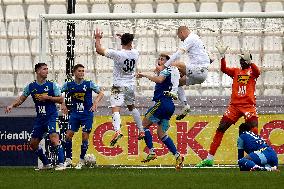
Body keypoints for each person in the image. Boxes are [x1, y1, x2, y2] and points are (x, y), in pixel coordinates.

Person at [196, 43, 260, 167]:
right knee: (221, 128)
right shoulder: (236, 71)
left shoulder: (252, 72)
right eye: (240, 59)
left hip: (248, 106)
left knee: (254, 128)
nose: (240, 61)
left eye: (243, 59)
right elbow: (224, 69)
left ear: (247, 61)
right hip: (234, 106)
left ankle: (256, 157)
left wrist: (251, 62)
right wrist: (222, 56)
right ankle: (209, 159)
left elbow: (258, 72)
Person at [5, 63, 65, 170]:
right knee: (33, 144)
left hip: (51, 116)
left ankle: (61, 164)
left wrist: (48, 97)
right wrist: (11, 105)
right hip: (40, 119)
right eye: (44, 69)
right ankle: (47, 164)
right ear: (37, 71)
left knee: (54, 138)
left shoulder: (52, 85)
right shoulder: (31, 86)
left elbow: (61, 99)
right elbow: (21, 99)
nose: (47, 71)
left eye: (47, 69)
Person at [94, 29, 144, 146]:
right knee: (132, 107)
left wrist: (97, 38)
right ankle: (141, 130)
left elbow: (99, 50)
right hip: (130, 85)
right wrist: (123, 38)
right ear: (131, 42)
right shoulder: (136, 53)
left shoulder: (118, 54)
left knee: (115, 108)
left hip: (118, 85)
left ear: (122, 42)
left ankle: (117, 131)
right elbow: (130, 46)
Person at [136, 53, 184, 170]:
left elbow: (159, 79)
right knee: (161, 134)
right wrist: (144, 73)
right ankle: (178, 155)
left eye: (162, 59)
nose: (159, 60)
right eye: (159, 59)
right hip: (170, 106)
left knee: (143, 126)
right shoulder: (170, 72)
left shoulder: (166, 71)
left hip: (162, 103)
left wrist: (144, 75)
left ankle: (152, 151)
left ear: (168, 62)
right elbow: (156, 72)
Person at [159, 26, 211, 120]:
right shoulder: (197, 39)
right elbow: (209, 58)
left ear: (182, 32)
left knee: (175, 65)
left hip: (199, 70)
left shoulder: (190, 38)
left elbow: (178, 53)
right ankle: (185, 105)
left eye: (179, 36)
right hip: (201, 73)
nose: (180, 39)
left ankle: (173, 92)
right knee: (177, 82)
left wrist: (165, 65)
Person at [61, 64, 104, 169]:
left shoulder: (89, 84)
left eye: (83, 71)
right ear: (74, 72)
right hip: (75, 114)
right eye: (79, 71)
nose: (81, 73)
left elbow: (101, 93)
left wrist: (95, 103)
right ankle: (68, 160)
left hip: (87, 114)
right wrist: (62, 104)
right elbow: (58, 93)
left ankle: (81, 160)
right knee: (68, 135)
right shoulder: (68, 85)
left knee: (85, 136)